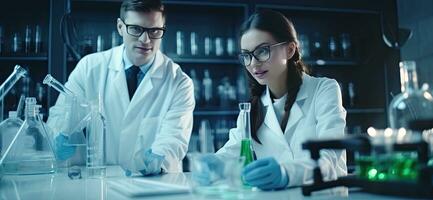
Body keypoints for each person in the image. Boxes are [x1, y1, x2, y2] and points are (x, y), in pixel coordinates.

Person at [196, 10, 347, 190]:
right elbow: (233, 151)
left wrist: (285, 173)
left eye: (262, 51)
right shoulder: (253, 108)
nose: (253, 63)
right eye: (246, 55)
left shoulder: (324, 89)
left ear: (290, 49)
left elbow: (329, 158)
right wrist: (214, 164)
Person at [47, 0, 195, 176]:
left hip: (153, 184)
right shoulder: (89, 68)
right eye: (135, 29)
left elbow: (174, 138)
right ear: (120, 27)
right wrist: (61, 133)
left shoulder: (179, 82)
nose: (145, 40)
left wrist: (158, 158)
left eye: (154, 31)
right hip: (102, 181)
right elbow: (62, 115)